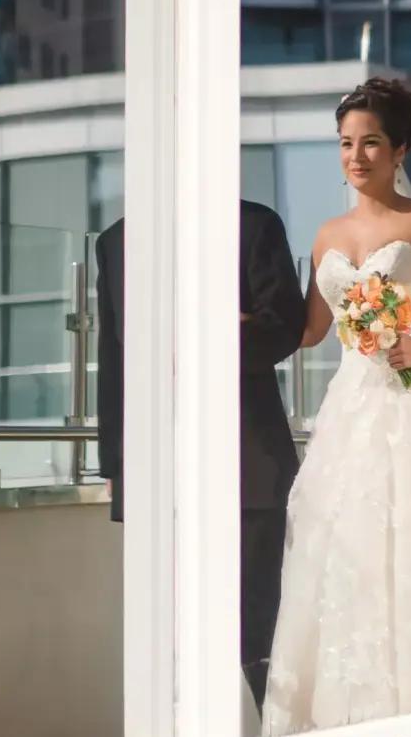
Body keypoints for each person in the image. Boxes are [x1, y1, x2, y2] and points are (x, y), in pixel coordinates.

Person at [261, 77, 411, 736]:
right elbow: (308, 330)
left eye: (371, 143)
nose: (356, 157)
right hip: (349, 412)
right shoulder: (326, 233)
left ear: (401, 146)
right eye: (346, 144)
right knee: (344, 556)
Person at [95, 201, 306, 708]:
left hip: (249, 468)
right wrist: (115, 466)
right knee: (168, 638)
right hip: (157, 476)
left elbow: (285, 327)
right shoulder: (115, 241)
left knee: (257, 635)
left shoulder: (254, 225)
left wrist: (210, 333)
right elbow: (113, 360)